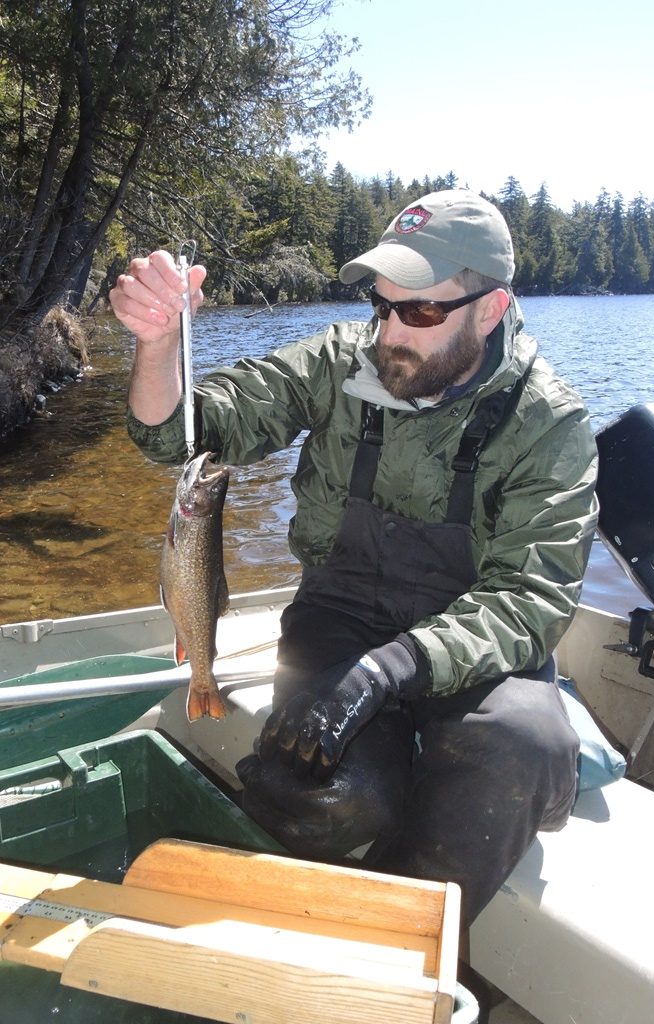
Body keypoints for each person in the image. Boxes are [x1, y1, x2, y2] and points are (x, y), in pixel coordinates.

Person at [110, 190, 598, 928]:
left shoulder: (549, 424)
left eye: (422, 311)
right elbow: (182, 434)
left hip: (474, 645)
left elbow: (530, 597)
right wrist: (155, 346)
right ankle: (279, 923)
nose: (392, 330)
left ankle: (390, 959)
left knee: (522, 748)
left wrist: (389, 670)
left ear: (490, 310)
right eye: (382, 303)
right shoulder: (338, 362)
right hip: (340, 620)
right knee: (325, 796)